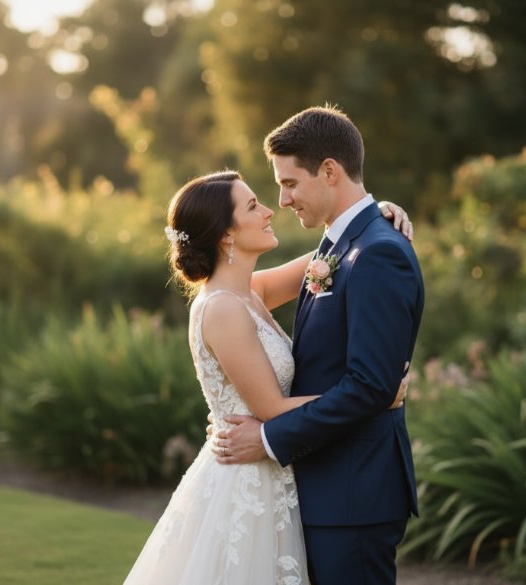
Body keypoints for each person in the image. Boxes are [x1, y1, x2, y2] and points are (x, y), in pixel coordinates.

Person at [122, 170, 413, 584]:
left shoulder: (251, 292)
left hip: (275, 469)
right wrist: (375, 394)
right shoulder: (222, 308)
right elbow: (271, 408)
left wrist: (371, 212)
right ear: (226, 234)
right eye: (253, 206)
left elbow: (338, 251)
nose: (269, 211)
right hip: (246, 480)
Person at [213, 106, 425, 585]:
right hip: (323, 489)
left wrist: (266, 438)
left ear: (329, 171)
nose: (282, 200)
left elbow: (370, 386)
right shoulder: (339, 247)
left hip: (354, 495)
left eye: (290, 183)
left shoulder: (378, 253)